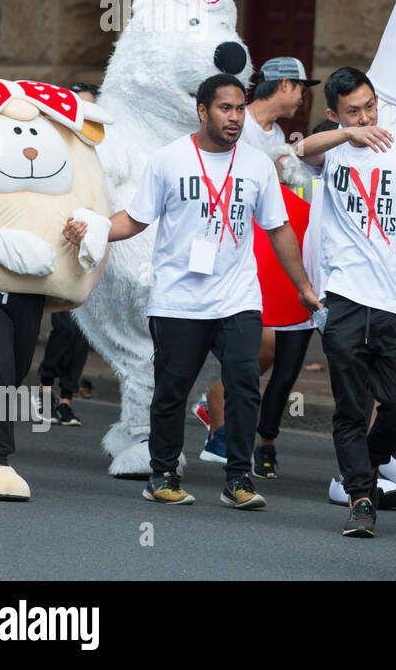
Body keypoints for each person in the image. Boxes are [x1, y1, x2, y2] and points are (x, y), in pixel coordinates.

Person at [64, 73, 320, 509]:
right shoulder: (169, 160)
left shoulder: (256, 164)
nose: (235, 117)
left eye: (240, 108)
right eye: (225, 108)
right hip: (178, 299)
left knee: (243, 384)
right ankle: (162, 473)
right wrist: (95, 230)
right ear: (202, 111)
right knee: (171, 388)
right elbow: (136, 220)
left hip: (238, 297)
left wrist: (304, 287)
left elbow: (278, 230)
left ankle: (238, 478)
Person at [294, 66, 396, 537]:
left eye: (371, 106)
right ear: (335, 114)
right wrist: (346, 134)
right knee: (351, 407)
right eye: (353, 111)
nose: (368, 116)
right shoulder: (331, 153)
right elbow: (294, 153)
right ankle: (360, 500)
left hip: (395, 300)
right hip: (345, 299)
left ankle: (364, 471)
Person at [198, 57, 319, 466]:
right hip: (227, 246)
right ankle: (218, 428)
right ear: (284, 85)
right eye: (302, 88)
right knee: (249, 343)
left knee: (260, 346)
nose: (304, 97)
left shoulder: (278, 132)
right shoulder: (237, 123)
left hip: (265, 248)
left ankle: (216, 407)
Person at [34, 83, 101, 428]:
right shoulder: (48, 143)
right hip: (55, 243)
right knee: (63, 325)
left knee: (81, 329)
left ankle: (66, 398)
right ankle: (45, 387)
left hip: (90, 248)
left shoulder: (100, 148)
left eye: (90, 108)